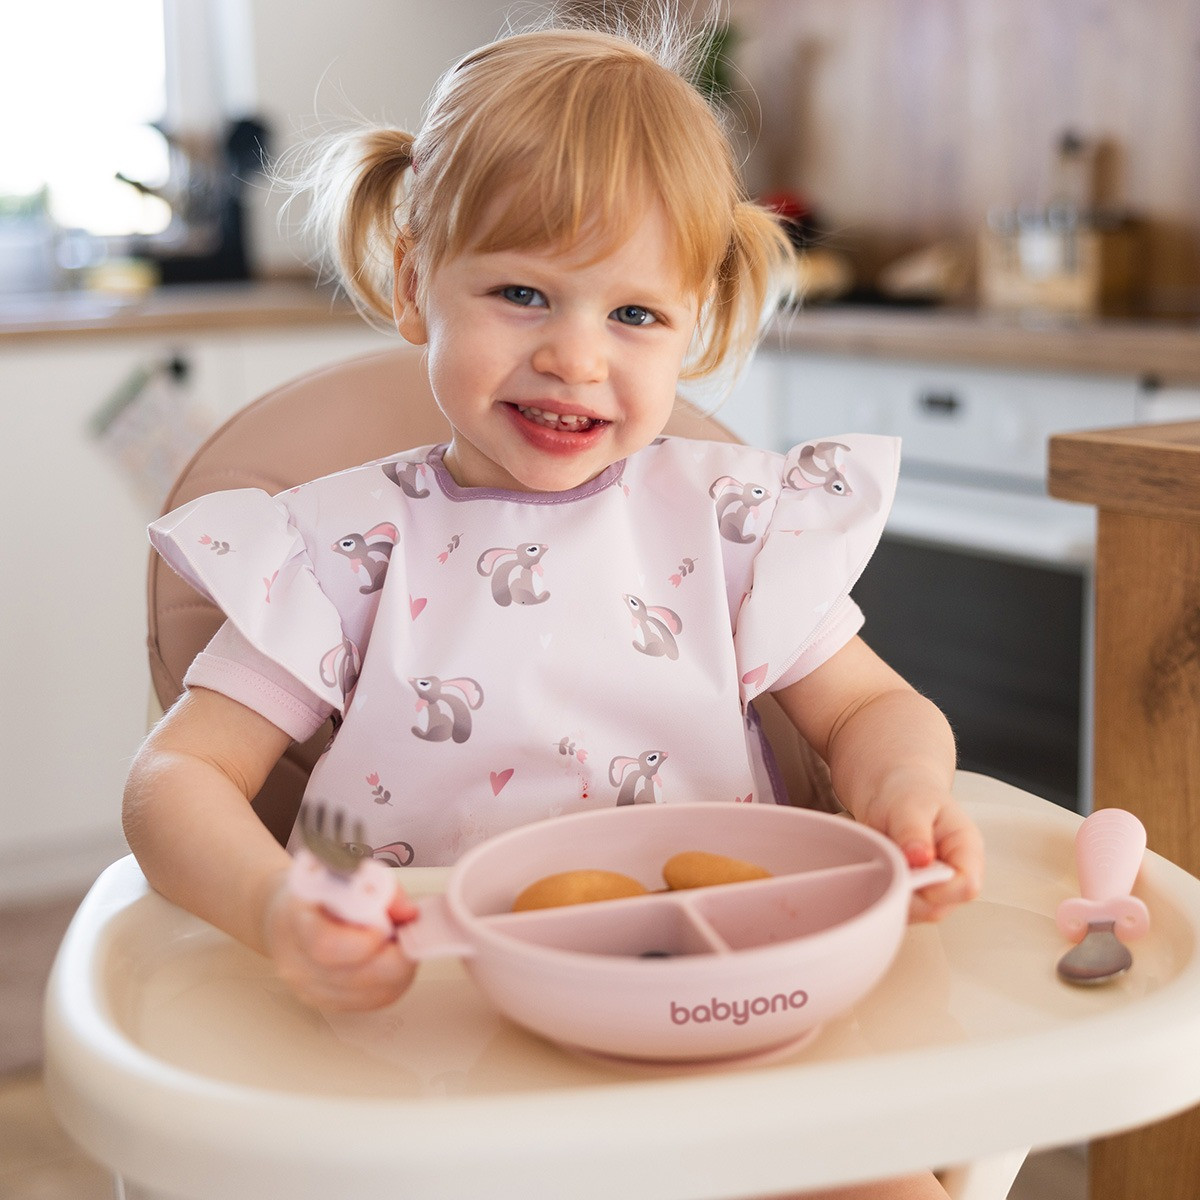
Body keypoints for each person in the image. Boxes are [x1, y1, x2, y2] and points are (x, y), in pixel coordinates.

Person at [124, 14, 982, 1198]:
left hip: (719, 1015)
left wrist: (905, 793)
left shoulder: (729, 528)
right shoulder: (342, 551)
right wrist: (280, 905)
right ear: (417, 281)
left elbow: (876, 714)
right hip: (435, 1037)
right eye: (524, 293)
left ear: (697, 324)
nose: (577, 357)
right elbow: (177, 781)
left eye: (634, 315)